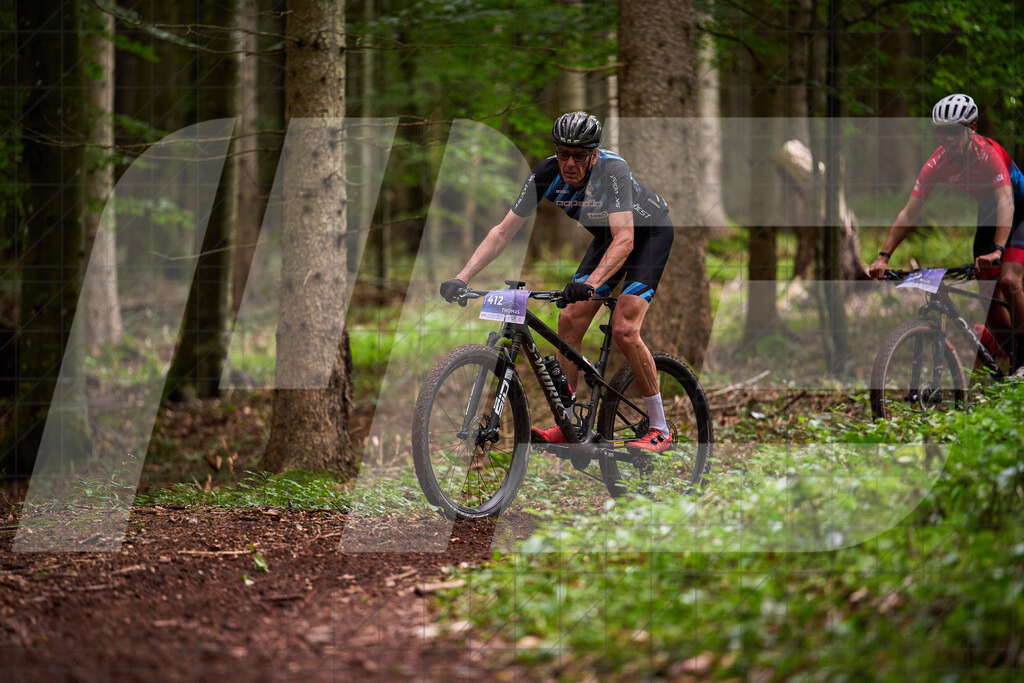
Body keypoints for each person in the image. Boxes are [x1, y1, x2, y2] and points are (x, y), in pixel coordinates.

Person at [439, 111, 676, 452]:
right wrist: (462, 277)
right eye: (563, 153)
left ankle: (660, 428)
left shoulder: (613, 170)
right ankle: (569, 424)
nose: (569, 163)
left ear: (594, 154)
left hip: (648, 234)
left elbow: (625, 237)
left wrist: (592, 282)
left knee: (624, 328)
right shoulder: (547, 173)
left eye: (579, 156)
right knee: (568, 319)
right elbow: (503, 231)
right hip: (609, 239)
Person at [867, 93, 1024, 373]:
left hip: (1019, 208)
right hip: (990, 215)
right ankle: (1015, 362)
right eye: (942, 132)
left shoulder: (988, 153)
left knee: (1010, 281)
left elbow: (1006, 202)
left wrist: (998, 250)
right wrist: (883, 256)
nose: (947, 138)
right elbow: (909, 212)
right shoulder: (937, 163)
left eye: (953, 132)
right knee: (989, 299)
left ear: (971, 128)